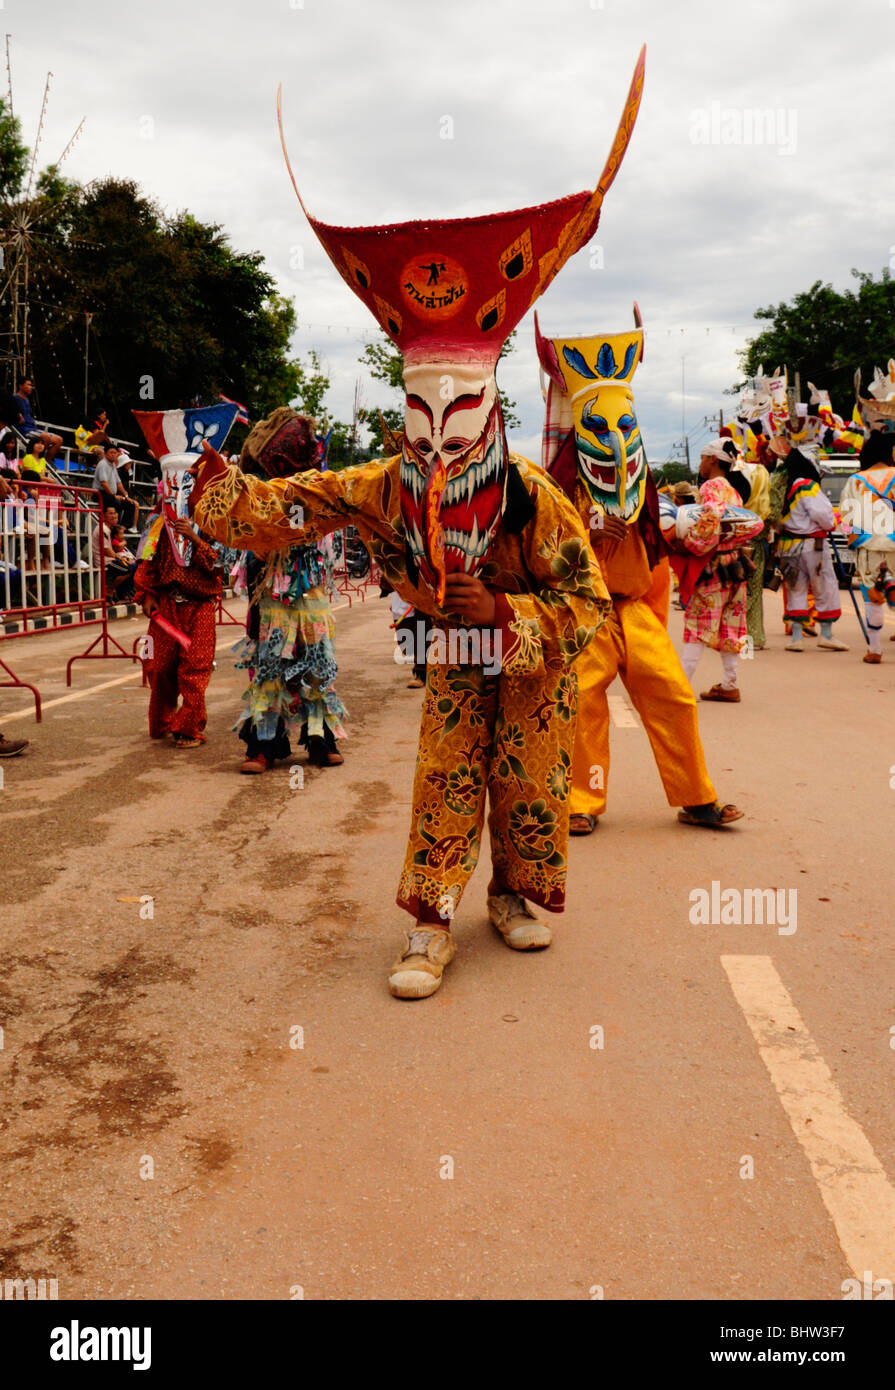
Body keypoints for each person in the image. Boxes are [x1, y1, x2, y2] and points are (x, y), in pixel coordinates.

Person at [535, 312, 742, 833]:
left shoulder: (645, 483)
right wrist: (584, 533)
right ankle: (582, 803)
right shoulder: (560, 483)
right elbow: (541, 547)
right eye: (601, 427)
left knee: (673, 691)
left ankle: (697, 799)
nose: (616, 439)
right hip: (586, 611)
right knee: (582, 698)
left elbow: (657, 544)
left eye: (625, 426)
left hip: (633, 606)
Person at [233, 413, 347, 773]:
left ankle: (321, 740)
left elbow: (329, 542)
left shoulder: (318, 491)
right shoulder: (259, 493)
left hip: (310, 587)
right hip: (273, 589)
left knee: (318, 661)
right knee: (271, 665)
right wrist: (260, 548)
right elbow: (241, 539)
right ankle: (264, 745)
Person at [134, 510, 221, 748]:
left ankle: (188, 727)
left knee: (194, 668)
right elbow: (146, 558)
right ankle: (164, 719)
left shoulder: (213, 521)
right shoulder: (156, 522)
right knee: (159, 667)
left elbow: (221, 564)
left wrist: (194, 537)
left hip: (200, 605)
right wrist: (146, 594)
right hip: (166, 604)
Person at [680, 441, 750, 700]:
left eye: (702, 458)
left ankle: (680, 687)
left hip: (713, 565)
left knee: (698, 625)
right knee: (731, 626)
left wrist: (690, 545)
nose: (700, 463)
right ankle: (730, 684)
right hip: (736, 565)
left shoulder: (710, 487)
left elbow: (711, 517)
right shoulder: (735, 491)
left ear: (712, 459)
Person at [768, 435, 847, 652]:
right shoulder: (807, 485)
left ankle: (796, 638)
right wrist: (831, 522)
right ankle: (827, 635)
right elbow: (824, 516)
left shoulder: (783, 485)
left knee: (796, 588)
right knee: (825, 586)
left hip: (788, 547)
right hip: (813, 546)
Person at [840, 431, 895, 663]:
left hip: (869, 546)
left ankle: (874, 649)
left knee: (871, 595)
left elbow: (847, 515)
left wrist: (851, 536)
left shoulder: (856, 480)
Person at [731, 449, 771, 649]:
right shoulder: (762, 476)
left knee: (735, 589)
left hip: (736, 541)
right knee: (754, 591)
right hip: (757, 539)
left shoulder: (735, 491)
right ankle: (755, 636)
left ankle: (737, 635)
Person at [11, 379, 63, 462]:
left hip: (32, 428)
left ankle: (45, 463)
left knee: (59, 440)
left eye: (31, 385)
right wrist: (18, 415)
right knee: (45, 437)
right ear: (21, 386)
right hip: (23, 429)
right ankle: (36, 460)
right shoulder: (15, 398)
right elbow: (10, 410)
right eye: (28, 385)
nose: (31, 387)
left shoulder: (27, 400)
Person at [92, 444, 139, 528]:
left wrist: (126, 495)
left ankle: (122, 527)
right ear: (106, 453)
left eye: (115, 452)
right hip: (100, 493)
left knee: (130, 504)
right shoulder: (103, 464)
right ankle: (113, 526)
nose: (113, 454)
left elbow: (119, 483)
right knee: (115, 502)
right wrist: (114, 496)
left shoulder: (113, 465)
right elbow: (104, 483)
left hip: (109, 494)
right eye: (111, 452)